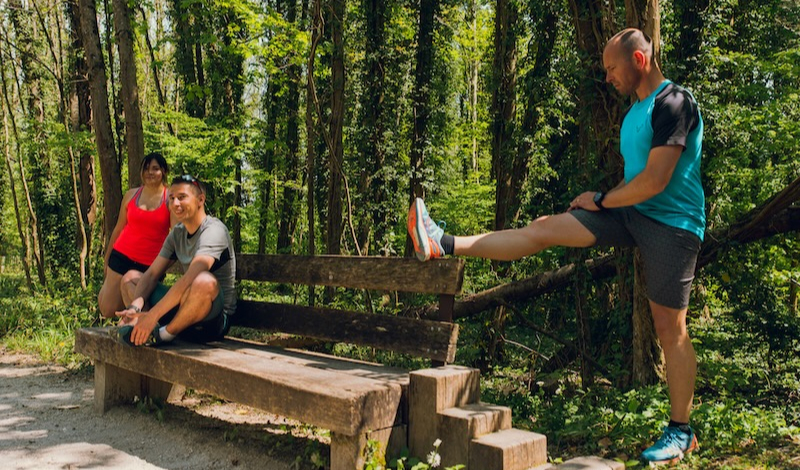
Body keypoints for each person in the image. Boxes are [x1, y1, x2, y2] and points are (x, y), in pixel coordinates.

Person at [408, 28, 704, 466]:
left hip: (673, 226)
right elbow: (634, 178)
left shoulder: (674, 103)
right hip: (629, 212)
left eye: (611, 68)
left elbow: (657, 181)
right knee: (544, 228)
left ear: (638, 60)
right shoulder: (634, 114)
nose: (607, 77)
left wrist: (604, 199)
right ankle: (441, 242)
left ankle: (682, 432)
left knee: (669, 329)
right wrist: (600, 199)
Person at [112, 174, 236, 347]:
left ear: (200, 200)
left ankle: (162, 335)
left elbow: (190, 278)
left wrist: (153, 315)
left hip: (211, 321)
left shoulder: (214, 231)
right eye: (171, 198)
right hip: (184, 313)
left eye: (182, 197)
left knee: (203, 281)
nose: (175, 204)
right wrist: (135, 307)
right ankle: (142, 329)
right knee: (130, 278)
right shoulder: (177, 233)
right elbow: (151, 275)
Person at [98, 153, 174, 318]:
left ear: (164, 171)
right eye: (146, 168)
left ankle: (143, 328)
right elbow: (118, 229)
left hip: (149, 266)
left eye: (155, 168)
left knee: (137, 303)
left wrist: (163, 266)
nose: (150, 173)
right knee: (107, 309)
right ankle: (128, 320)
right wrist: (107, 258)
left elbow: (175, 237)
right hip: (121, 256)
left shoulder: (170, 199)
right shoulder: (131, 195)